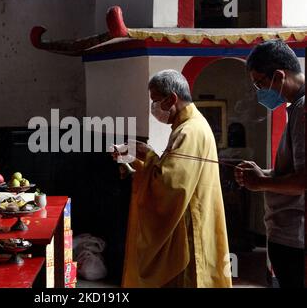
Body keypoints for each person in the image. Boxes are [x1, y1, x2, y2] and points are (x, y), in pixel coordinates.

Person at [113, 70, 232, 288]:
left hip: (188, 230)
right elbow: (169, 171)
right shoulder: (187, 126)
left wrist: (145, 153)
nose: (154, 108)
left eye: (155, 101)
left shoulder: (190, 131)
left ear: (172, 99)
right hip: (191, 219)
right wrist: (137, 166)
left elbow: (170, 186)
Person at [234, 39, 305, 288]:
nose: (259, 92)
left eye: (260, 84)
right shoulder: (296, 108)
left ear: (278, 75)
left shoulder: (304, 110)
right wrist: (263, 174)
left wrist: (262, 182)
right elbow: (293, 173)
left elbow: (303, 181)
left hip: (296, 237)